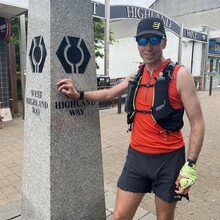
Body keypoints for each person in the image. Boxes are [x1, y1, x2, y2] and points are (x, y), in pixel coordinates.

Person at [57, 17, 205, 220]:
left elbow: (197, 122)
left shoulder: (180, 75)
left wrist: (190, 165)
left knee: (164, 218)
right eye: (143, 41)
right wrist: (79, 94)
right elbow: (109, 94)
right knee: (119, 217)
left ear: (164, 42)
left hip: (168, 159)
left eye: (154, 39)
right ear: (137, 44)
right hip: (136, 157)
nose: (148, 47)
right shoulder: (137, 73)